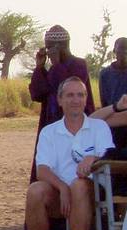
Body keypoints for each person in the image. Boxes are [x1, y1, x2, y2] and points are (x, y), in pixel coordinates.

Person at [18, 77, 113, 230]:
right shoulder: (49, 131)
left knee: (79, 185)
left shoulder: (99, 127)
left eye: (80, 95)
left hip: (91, 193)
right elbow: (42, 170)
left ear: (86, 99)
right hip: (60, 194)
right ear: (60, 100)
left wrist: (93, 158)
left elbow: (109, 157)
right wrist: (62, 188)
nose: (75, 100)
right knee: (35, 190)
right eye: (70, 95)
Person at [28, 25, 93, 183]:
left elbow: (69, 88)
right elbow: (37, 94)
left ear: (61, 46)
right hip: (51, 124)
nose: (47, 52)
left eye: (50, 48)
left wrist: (57, 64)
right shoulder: (53, 69)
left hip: (74, 127)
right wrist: (39, 67)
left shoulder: (79, 65)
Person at [98, 37, 127, 109]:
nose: (125, 51)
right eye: (121, 48)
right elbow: (104, 101)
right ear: (114, 50)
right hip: (111, 113)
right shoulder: (105, 74)